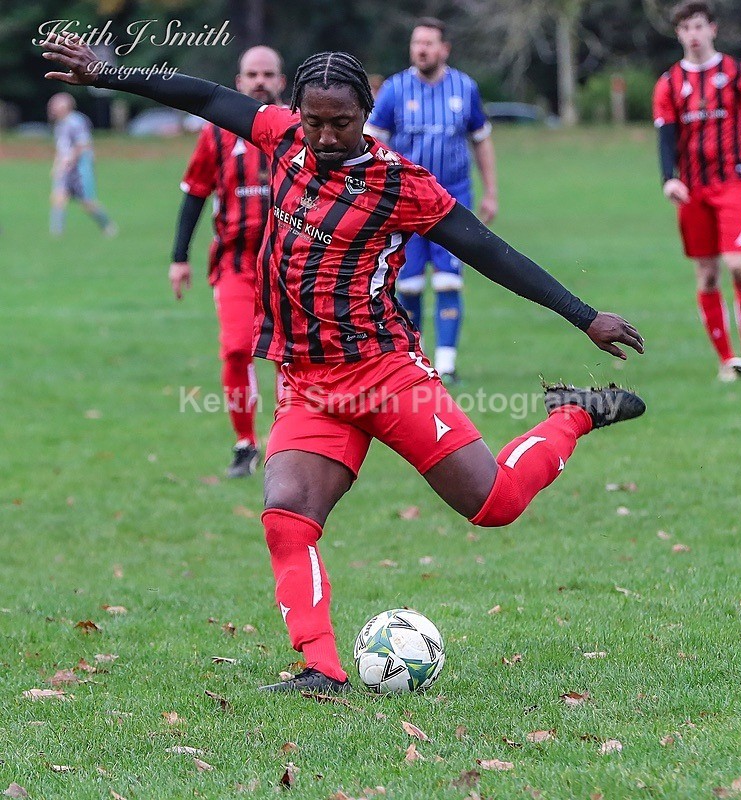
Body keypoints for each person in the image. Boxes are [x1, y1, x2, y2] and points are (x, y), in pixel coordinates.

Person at [42, 36, 646, 694]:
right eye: (315, 122)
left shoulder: (400, 184)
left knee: (494, 504)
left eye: (342, 123)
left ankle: (572, 415)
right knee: (286, 515)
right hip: (307, 382)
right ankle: (321, 669)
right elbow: (206, 96)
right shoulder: (281, 137)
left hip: (385, 375)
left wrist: (584, 315)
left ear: (366, 114)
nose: (326, 137)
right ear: (296, 113)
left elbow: (491, 252)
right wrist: (111, 76)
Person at [169, 46, 286, 478]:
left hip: (290, 264)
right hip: (235, 262)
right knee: (237, 349)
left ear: (281, 81)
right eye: (252, 74)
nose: (260, 81)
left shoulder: (298, 130)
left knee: (289, 357)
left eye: (267, 74)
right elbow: (195, 193)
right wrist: (179, 257)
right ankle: (245, 443)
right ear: (238, 82)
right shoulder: (216, 133)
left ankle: (288, 444)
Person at [365, 18, 498, 385]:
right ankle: (416, 360)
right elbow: (371, 139)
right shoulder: (394, 89)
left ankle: (448, 365)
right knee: (407, 284)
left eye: (428, 43)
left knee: (448, 281)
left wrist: (490, 191)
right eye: (416, 43)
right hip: (405, 201)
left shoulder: (464, 87)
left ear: (444, 49)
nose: (421, 49)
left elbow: (481, 139)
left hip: (453, 199)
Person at [653, 0, 741, 382]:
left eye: (699, 26)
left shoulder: (739, 73)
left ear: (712, 29)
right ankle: (726, 360)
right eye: (686, 28)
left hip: (734, 181)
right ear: (679, 34)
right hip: (693, 189)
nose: (694, 35)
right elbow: (665, 137)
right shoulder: (669, 83)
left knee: (738, 264)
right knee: (707, 275)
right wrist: (668, 178)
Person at [48, 92, 117, 236]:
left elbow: (82, 144)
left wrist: (70, 161)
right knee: (58, 198)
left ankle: (108, 226)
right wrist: (56, 166)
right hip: (65, 168)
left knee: (88, 203)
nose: (52, 108)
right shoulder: (59, 124)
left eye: (55, 105)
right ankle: (56, 234)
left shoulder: (76, 121)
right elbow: (61, 148)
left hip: (80, 168)